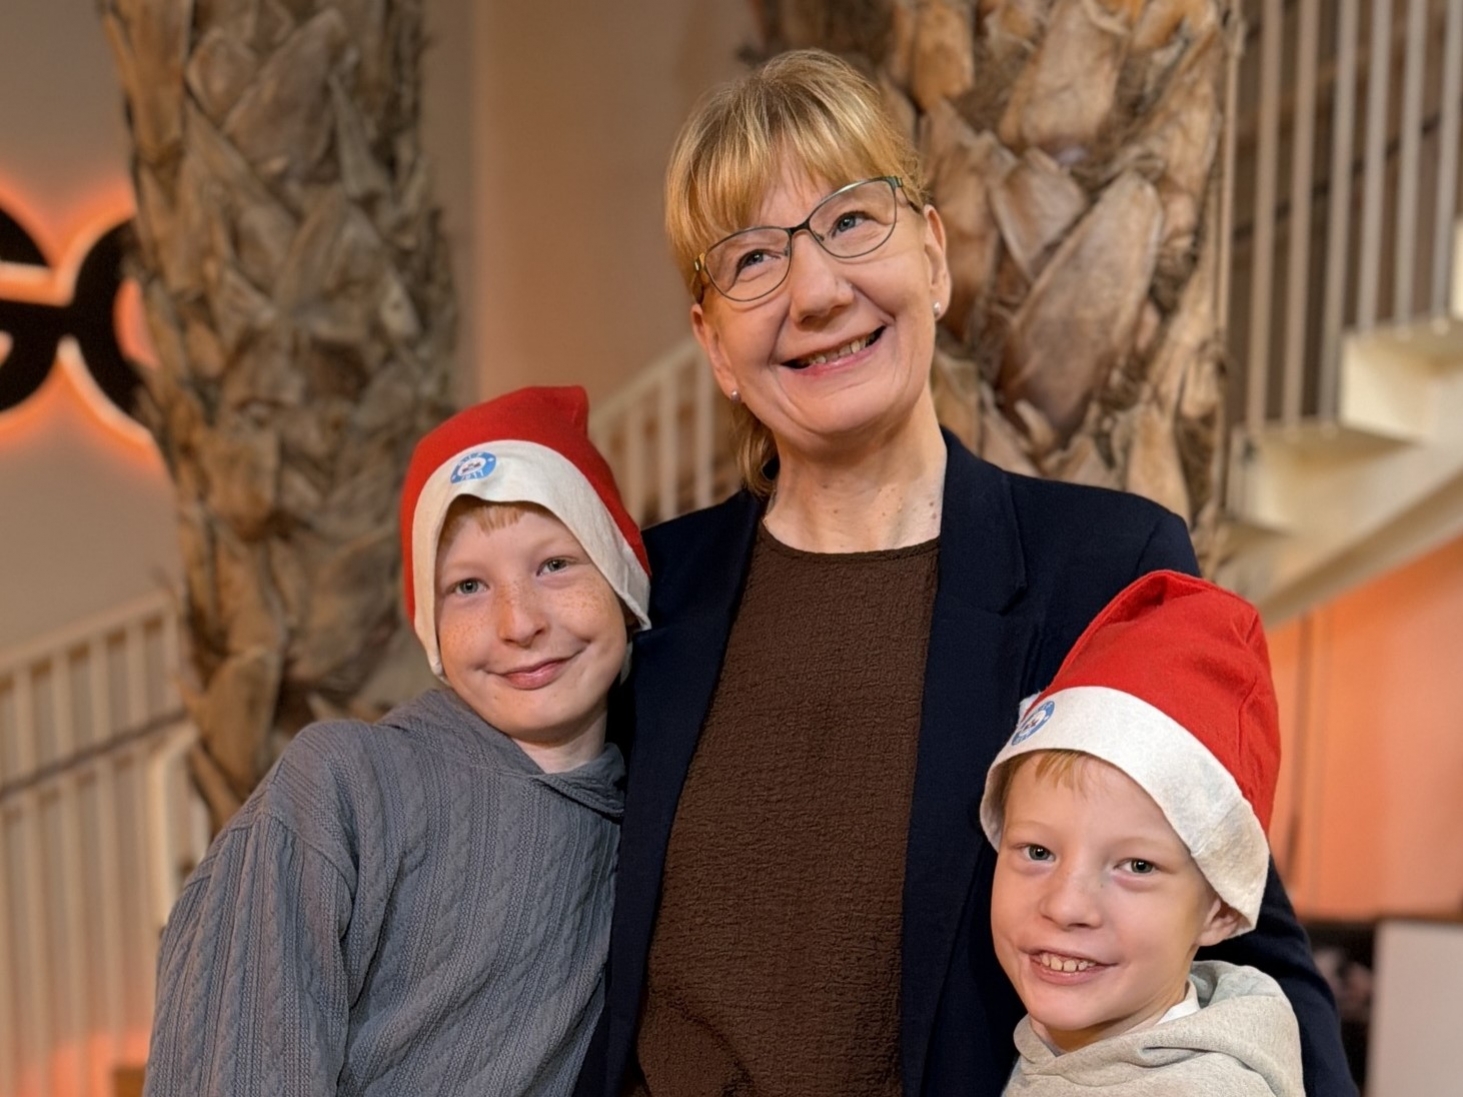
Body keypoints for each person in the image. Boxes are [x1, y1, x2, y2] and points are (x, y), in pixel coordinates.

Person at [579, 48, 1354, 1097]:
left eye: (852, 220)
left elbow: (1246, 945)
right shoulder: (647, 592)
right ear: (712, 343)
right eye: (752, 257)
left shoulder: (1105, 569)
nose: (816, 289)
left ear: (934, 257)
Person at [144, 386, 650, 1096]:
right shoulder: (342, 788)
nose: (519, 622)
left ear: (622, 576)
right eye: (468, 586)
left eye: (555, 564)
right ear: (432, 629)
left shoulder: (656, 818)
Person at [979, 570, 1303, 1094]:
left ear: (1221, 907)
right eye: (1038, 851)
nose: (1065, 906)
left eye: (1137, 866)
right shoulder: (1057, 1046)